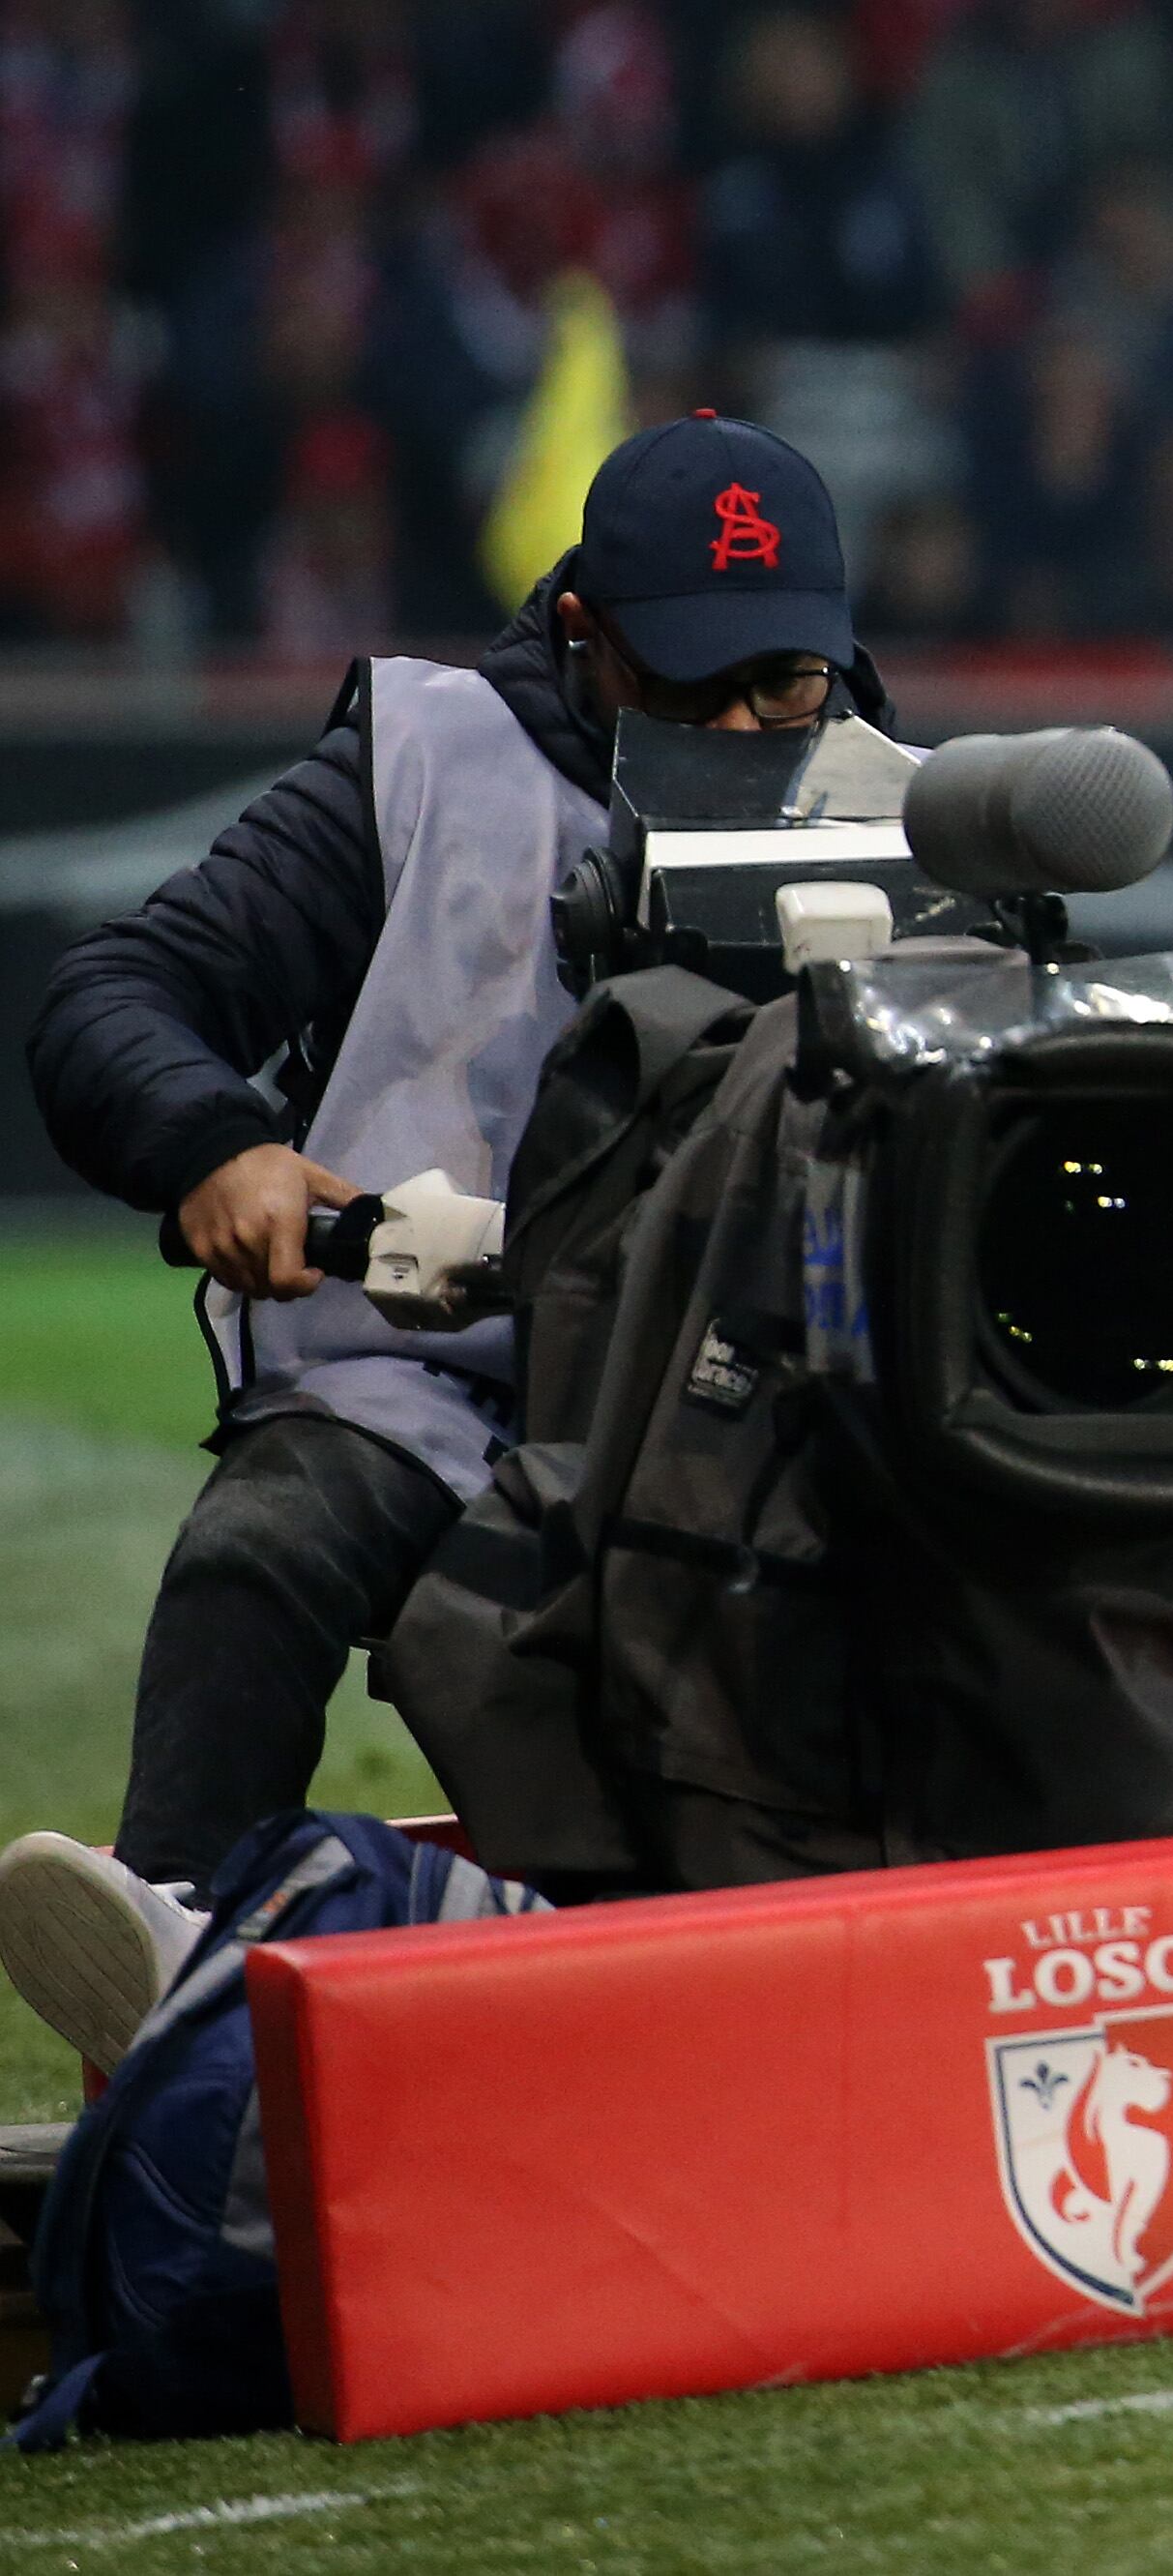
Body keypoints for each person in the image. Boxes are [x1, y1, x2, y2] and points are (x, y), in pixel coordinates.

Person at [5, 412, 891, 2067]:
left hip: (754, 1403)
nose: (738, 727)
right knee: (265, 1544)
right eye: (687, 684)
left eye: (782, 685)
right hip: (427, 1368)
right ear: (583, 636)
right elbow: (115, 997)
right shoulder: (426, 760)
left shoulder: (899, 815)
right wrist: (218, 1143)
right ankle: (173, 1967)